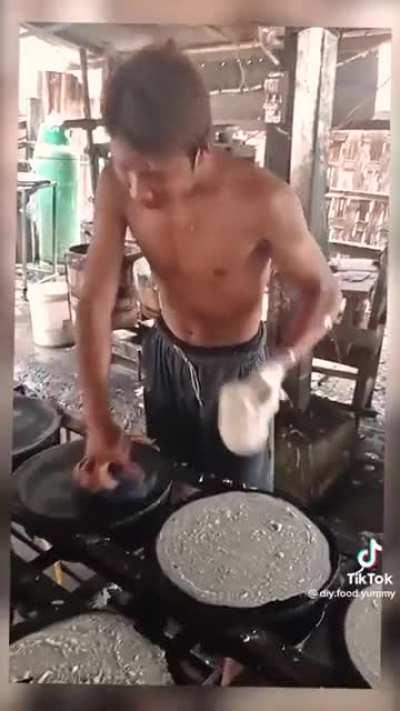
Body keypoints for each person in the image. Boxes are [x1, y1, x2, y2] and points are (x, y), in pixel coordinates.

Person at [75, 41, 341, 495]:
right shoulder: (115, 186)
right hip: (166, 357)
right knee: (167, 489)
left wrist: (276, 368)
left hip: (239, 373)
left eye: (155, 174)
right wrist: (98, 419)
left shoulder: (265, 200)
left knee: (239, 505)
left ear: (200, 150)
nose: (139, 191)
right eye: (126, 169)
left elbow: (326, 293)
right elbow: (95, 299)